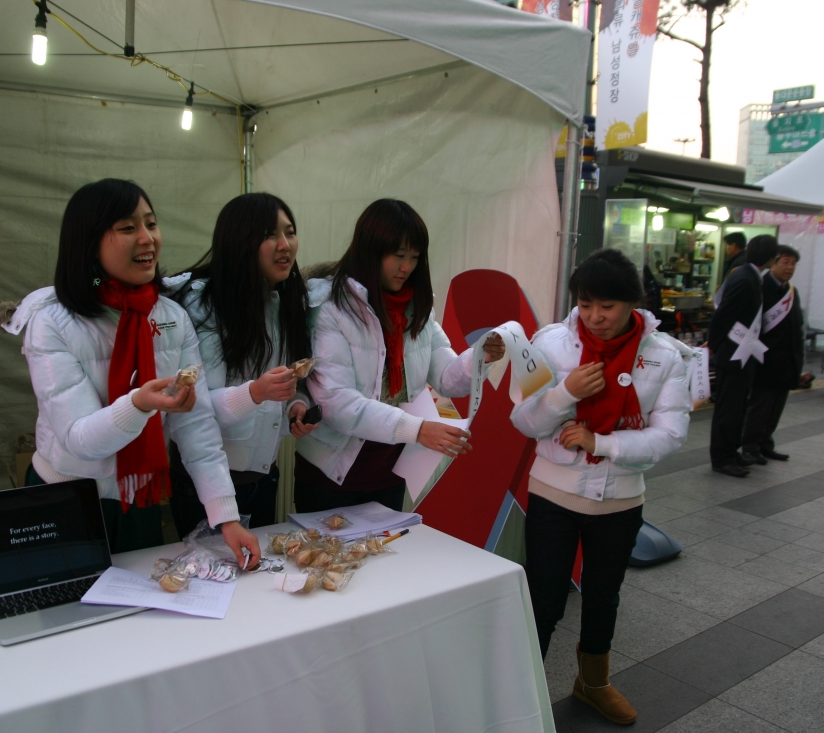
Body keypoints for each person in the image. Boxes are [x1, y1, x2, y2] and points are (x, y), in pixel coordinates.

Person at [0, 178, 260, 563]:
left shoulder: (171, 316)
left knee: (140, 598)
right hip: (68, 498)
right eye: (127, 227)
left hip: (138, 498)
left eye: (151, 224)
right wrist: (138, 405)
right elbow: (79, 438)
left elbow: (197, 425)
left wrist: (226, 516)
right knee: (68, 601)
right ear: (89, 241)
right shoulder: (52, 322)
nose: (147, 238)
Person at [510, 248, 689, 726]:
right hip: (553, 494)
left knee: (603, 596)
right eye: (585, 304)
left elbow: (671, 434)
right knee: (544, 599)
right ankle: (520, 694)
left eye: (607, 306)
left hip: (620, 500)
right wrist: (565, 394)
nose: (595, 317)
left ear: (632, 303)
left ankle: (593, 683)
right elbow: (523, 420)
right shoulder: (549, 344)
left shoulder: (664, 355)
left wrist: (601, 443)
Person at [294, 198, 504, 513]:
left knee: (388, 545)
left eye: (415, 257)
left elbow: (447, 378)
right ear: (371, 250)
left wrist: (480, 356)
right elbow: (336, 403)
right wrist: (418, 429)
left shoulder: (416, 307)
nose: (407, 267)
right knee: (326, 547)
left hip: (390, 470)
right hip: (332, 473)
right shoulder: (331, 307)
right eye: (399, 256)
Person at [168, 193, 318, 535]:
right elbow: (194, 407)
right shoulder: (203, 303)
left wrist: (296, 404)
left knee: (258, 567)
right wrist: (255, 392)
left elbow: (291, 378)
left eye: (290, 232)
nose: (285, 245)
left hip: (263, 476)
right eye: (269, 235)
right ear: (239, 241)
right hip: (205, 483)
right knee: (209, 568)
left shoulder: (288, 298)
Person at [708, 234, 779, 477]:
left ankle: (731, 451)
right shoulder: (745, 278)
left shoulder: (749, 275)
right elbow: (724, 314)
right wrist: (713, 344)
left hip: (743, 352)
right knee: (728, 409)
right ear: (771, 258)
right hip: (732, 353)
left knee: (738, 408)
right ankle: (722, 458)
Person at [741, 244, 804, 463]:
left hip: (787, 359)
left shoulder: (791, 291)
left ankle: (765, 444)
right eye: (785, 262)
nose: (790, 267)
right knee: (760, 406)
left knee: (776, 407)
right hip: (765, 360)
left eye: (793, 263)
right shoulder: (761, 287)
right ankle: (750, 446)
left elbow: (797, 325)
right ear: (773, 263)